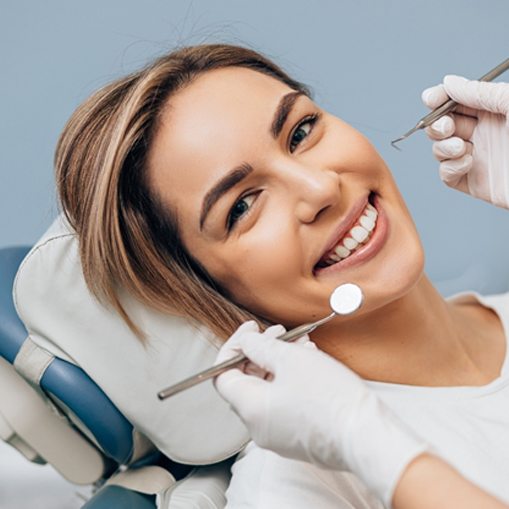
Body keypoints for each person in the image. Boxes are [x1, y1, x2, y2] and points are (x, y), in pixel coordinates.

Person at [53, 43, 509, 508]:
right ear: (200, 286)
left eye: (300, 132)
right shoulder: (293, 487)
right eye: (243, 206)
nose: (321, 188)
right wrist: (366, 441)